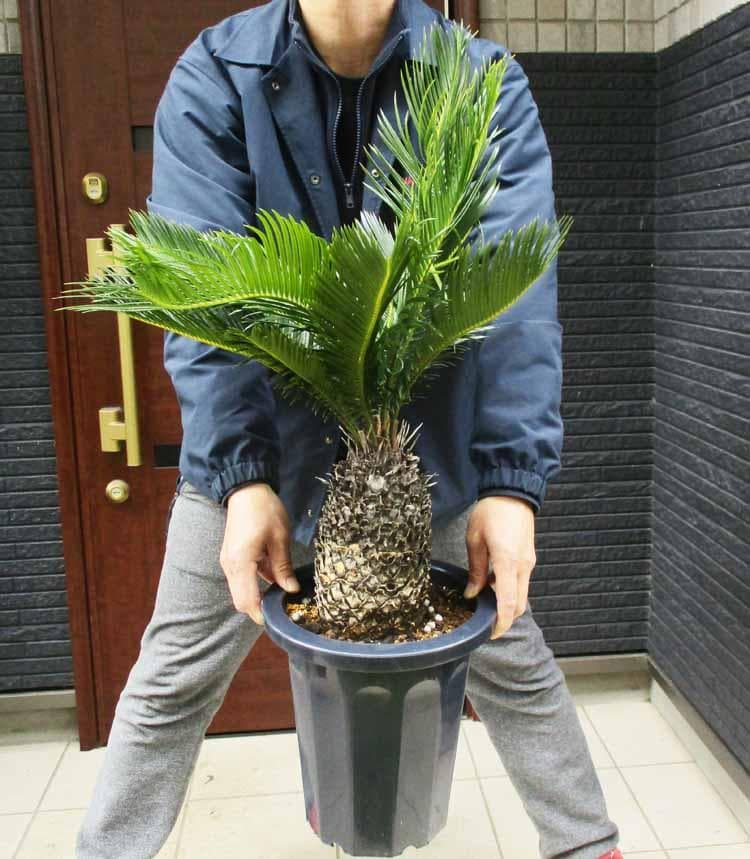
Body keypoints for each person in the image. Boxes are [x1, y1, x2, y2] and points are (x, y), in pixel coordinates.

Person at [76, 0, 624, 857]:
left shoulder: (476, 80)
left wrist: (511, 484)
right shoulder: (218, 76)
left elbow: (515, 291)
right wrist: (242, 476)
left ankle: (589, 844)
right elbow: (204, 287)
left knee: (514, 664)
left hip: (420, 465)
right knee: (171, 681)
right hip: (262, 465)